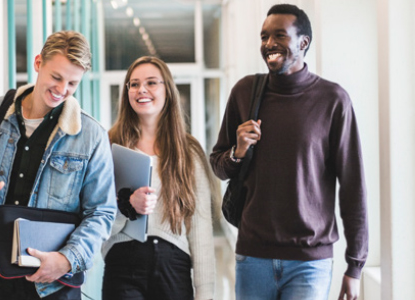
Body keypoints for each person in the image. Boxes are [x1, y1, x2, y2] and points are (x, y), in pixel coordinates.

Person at [210, 4, 368, 300]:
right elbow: (218, 165)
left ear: (303, 42)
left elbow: (353, 187)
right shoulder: (245, 92)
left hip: (310, 261)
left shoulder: (333, 101)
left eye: (279, 35)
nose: (269, 44)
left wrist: (355, 265)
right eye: (264, 36)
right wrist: (238, 150)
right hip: (252, 256)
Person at [0, 30, 117, 300]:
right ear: (38, 63)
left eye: (72, 83)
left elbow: (102, 212)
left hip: (56, 285)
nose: (62, 90)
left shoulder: (92, 135)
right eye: (56, 77)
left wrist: (67, 260)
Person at [102, 56, 216, 300]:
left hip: (173, 266)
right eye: (133, 84)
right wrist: (127, 206)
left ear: (168, 90)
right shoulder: (109, 146)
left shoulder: (188, 151)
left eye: (151, 82)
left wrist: (206, 293)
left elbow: (200, 227)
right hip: (122, 263)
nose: (141, 89)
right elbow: (97, 220)